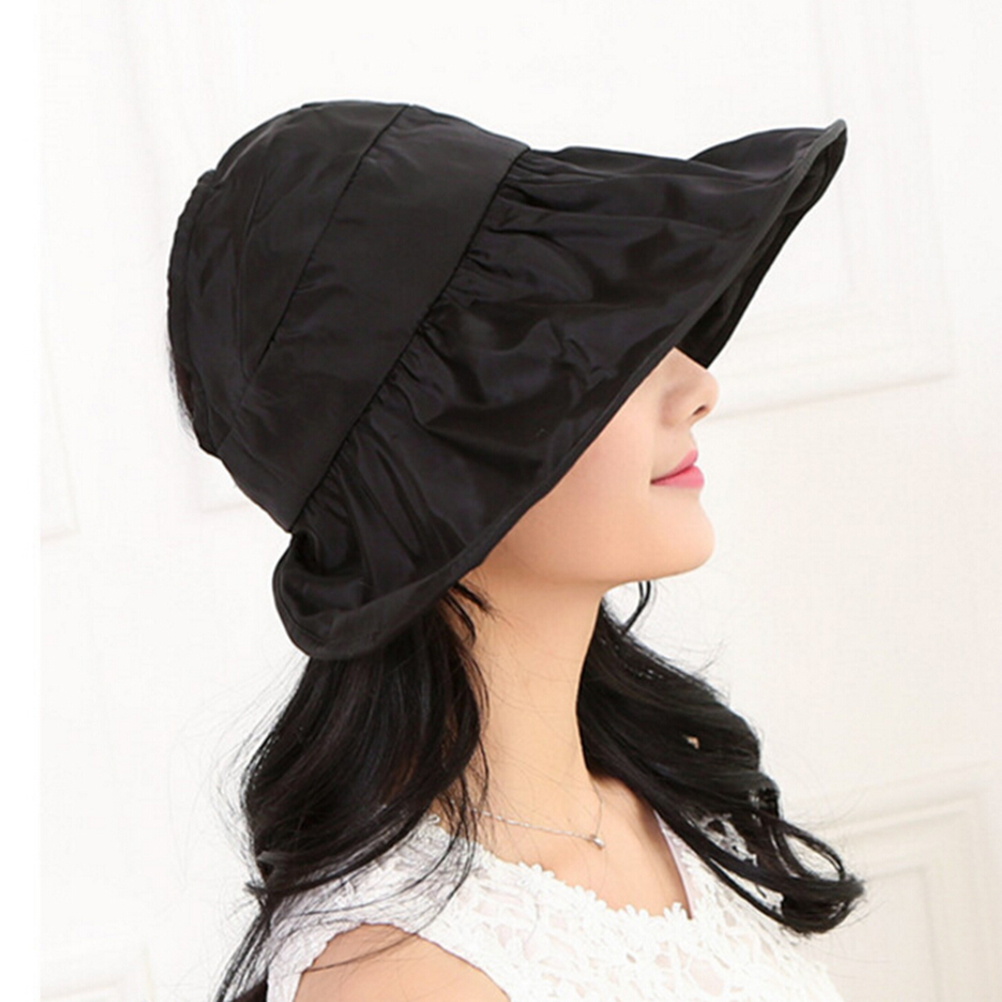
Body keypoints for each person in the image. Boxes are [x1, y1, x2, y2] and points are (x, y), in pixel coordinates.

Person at [166, 99, 865, 1002]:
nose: (697, 384)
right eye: (602, 353)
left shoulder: (673, 807)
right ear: (442, 456)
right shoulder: (406, 976)